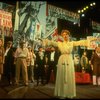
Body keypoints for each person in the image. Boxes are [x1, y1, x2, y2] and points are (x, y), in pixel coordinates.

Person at [43, 29, 97, 99]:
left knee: (69, 76)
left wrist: (91, 40)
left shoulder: (71, 43)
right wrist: (44, 40)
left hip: (69, 59)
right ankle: (62, 94)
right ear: (62, 36)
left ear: (69, 35)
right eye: (63, 35)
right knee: (62, 76)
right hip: (62, 60)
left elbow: (80, 42)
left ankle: (69, 93)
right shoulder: (60, 43)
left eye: (66, 34)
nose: (65, 36)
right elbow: (51, 42)